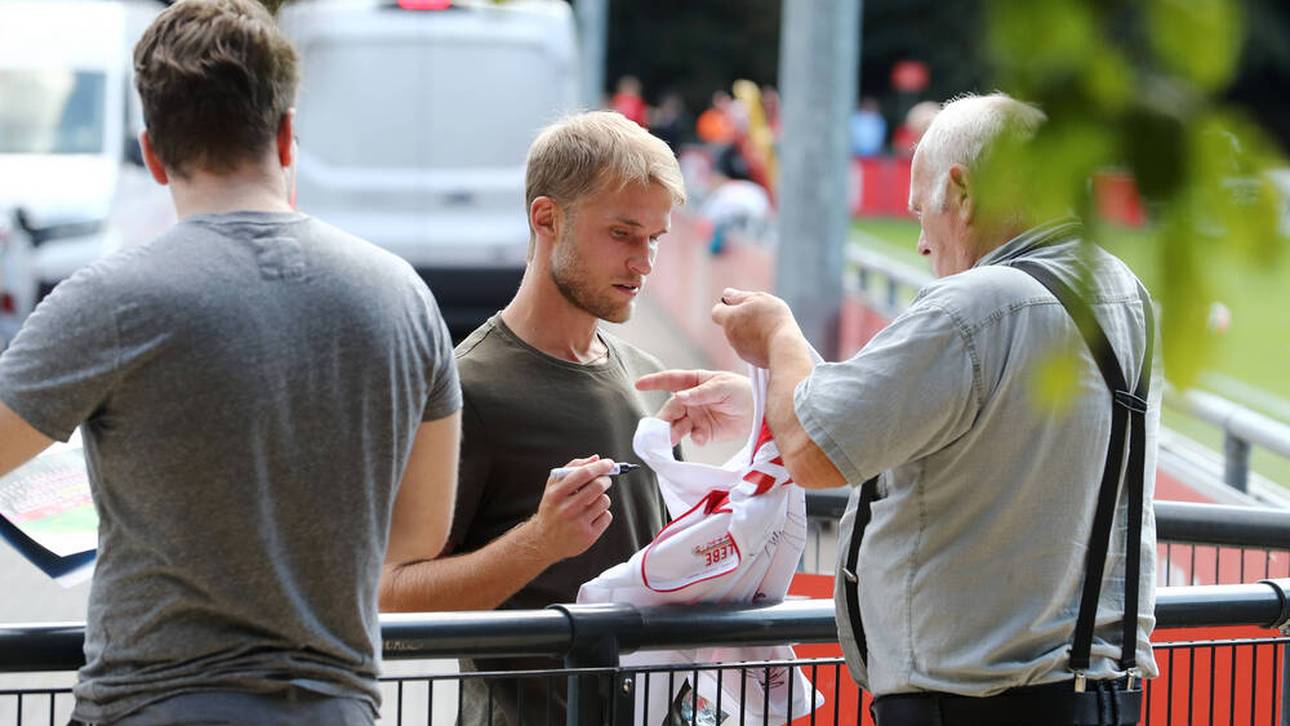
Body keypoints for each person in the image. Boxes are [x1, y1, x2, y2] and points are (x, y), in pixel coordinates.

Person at [0, 1, 462, 723]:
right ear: (285, 135)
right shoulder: (402, 297)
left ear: (154, 154)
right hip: (336, 706)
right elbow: (421, 533)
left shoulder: (111, 300)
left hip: (153, 703)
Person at [638, 93, 1161, 726]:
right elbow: (987, 421)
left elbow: (812, 453)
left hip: (969, 704)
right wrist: (763, 399)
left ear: (961, 191)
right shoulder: (1122, 292)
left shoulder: (973, 307)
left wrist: (778, 336)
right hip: (1098, 696)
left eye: (921, 211)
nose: (920, 243)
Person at [379, 110, 686, 725]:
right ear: (547, 218)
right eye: (623, 234)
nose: (644, 261)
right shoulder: (464, 389)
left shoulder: (651, 379)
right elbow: (391, 596)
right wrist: (539, 542)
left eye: (655, 238)